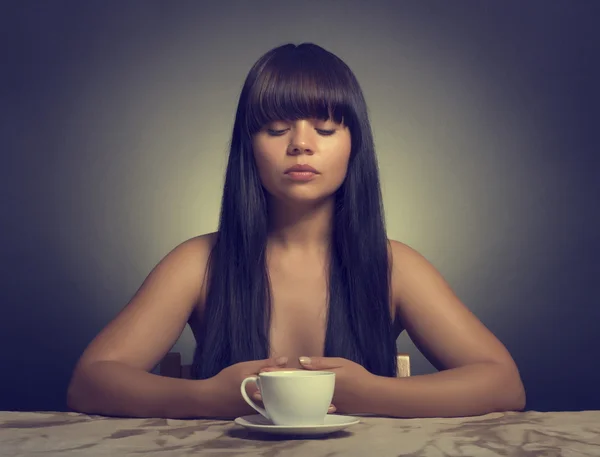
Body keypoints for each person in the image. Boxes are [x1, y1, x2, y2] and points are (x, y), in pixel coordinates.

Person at [67, 43, 526, 420]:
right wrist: (208, 397)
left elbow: (503, 383)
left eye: (325, 128)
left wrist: (370, 393)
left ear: (354, 146)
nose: (301, 144)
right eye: (276, 127)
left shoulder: (394, 266)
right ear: (248, 148)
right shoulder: (198, 263)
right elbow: (90, 382)